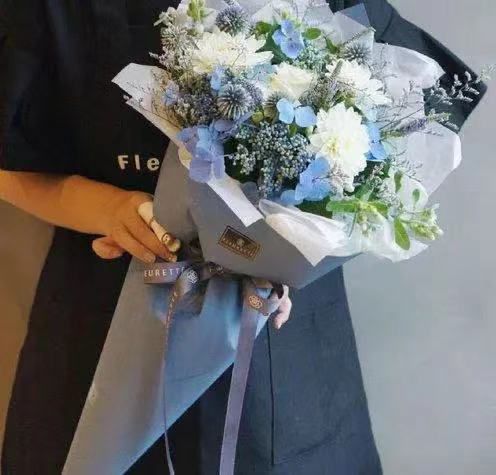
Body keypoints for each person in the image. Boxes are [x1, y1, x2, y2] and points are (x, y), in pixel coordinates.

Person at [0, 0, 485, 473]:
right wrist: (107, 209)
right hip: (104, 311)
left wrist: (298, 243)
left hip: (279, 337)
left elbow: (413, 125)